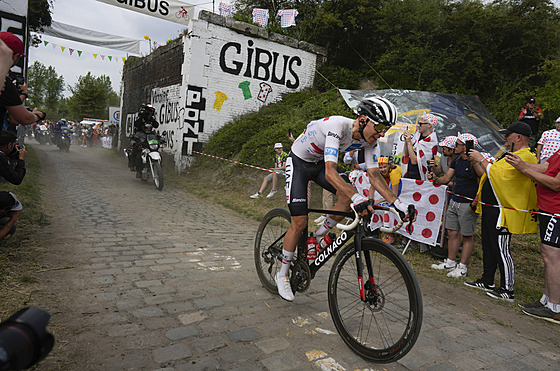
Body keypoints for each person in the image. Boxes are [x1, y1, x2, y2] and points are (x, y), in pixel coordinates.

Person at [275, 96, 411, 301]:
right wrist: (357, 197)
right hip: (299, 163)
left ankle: (319, 236)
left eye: (387, 128)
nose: (382, 133)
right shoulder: (337, 126)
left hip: (319, 163)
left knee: (347, 197)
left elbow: (374, 175)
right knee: (300, 221)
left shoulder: (370, 141)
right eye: (380, 126)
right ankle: (282, 274)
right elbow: (331, 172)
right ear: (364, 119)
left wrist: (398, 204)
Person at [466, 122, 538, 301]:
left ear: (519, 137)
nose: (505, 138)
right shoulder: (509, 154)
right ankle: (487, 279)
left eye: (508, 135)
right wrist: (478, 161)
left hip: (505, 210)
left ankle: (507, 289)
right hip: (491, 207)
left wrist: (480, 158)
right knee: (489, 245)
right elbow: (489, 173)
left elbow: (500, 175)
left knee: (501, 248)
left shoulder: (526, 156)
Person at [506, 148, 560, 324]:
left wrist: (525, 169)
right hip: (548, 208)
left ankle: (555, 307)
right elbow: (545, 167)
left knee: (552, 256)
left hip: (556, 210)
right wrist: (519, 164)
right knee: (547, 254)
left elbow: (556, 184)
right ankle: (547, 299)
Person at [428, 133, 480, 278]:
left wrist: (475, 201)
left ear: (465, 147)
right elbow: (446, 178)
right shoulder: (457, 159)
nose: (454, 146)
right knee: (452, 232)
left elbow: (482, 179)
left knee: (467, 235)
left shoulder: (475, 161)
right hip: (455, 199)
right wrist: (436, 179)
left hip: (468, 202)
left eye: (457, 144)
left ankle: (462, 267)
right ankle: (450, 262)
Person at [0, 32, 46, 129]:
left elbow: (11, 113)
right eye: (19, 57)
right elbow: (24, 118)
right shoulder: (5, 83)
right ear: (13, 56)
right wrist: (38, 116)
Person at [402, 112, 438, 180]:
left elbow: (415, 161)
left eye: (420, 124)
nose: (418, 125)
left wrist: (409, 142)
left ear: (429, 125)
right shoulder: (417, 135)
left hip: (420, 177)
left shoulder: (431, 142)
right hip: (410, 173)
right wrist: (406, 141)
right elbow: (406, 154)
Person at [129, 104, 159, 174]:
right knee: (136, 148)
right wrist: (143, 116)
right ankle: (132, 164)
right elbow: (136, 124)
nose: (151, 113)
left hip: (149, 135)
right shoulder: (141, 118)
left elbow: (156, 125)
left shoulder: (151, 119)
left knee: (156, 148)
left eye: (152, 111)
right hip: (140, 135)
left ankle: (156, 167)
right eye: (149, 111)